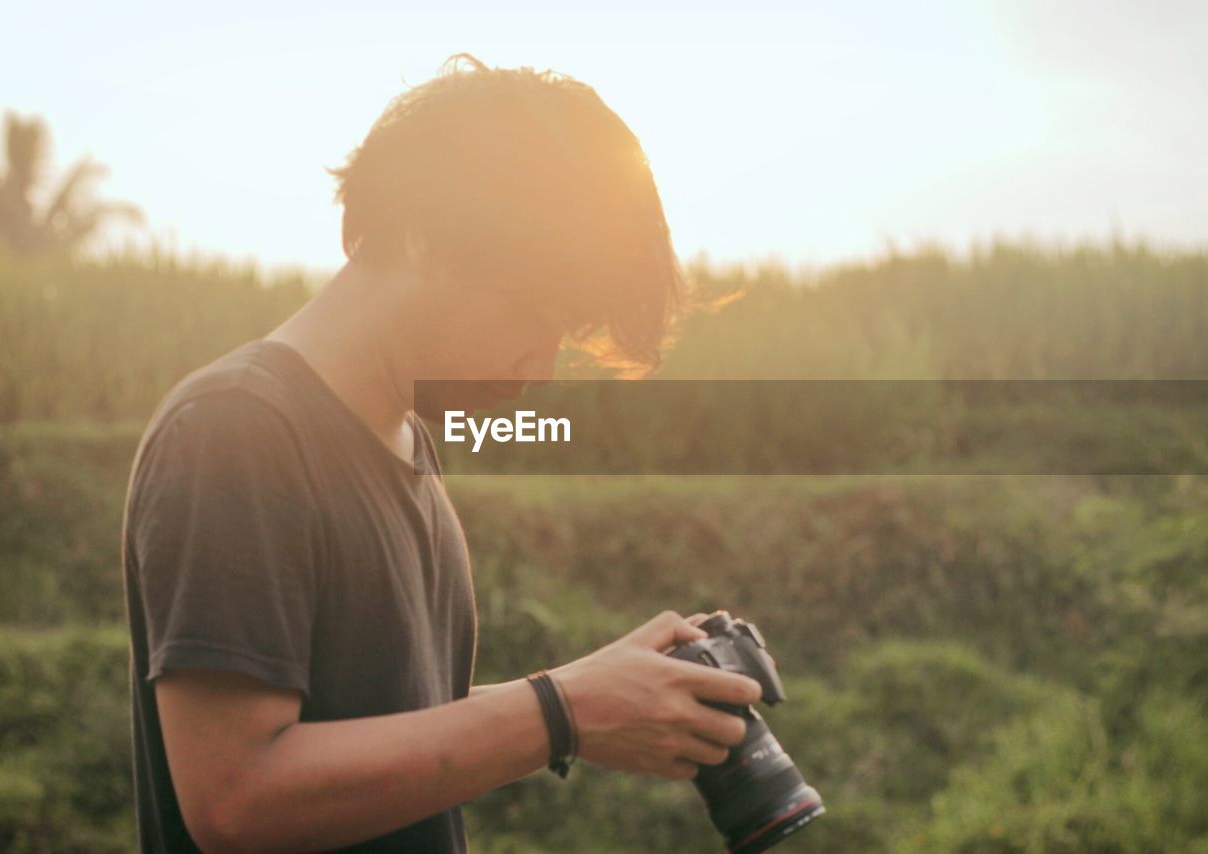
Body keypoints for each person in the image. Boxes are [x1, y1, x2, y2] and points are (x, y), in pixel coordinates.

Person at [120, 52, 761, 852]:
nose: (541, 368)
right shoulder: (238, 430)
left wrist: (591, 694)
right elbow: (237, 797)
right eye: (537, 313)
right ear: (426, 239)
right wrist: (560, 711)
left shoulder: (403, 435)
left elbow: (377, 725)